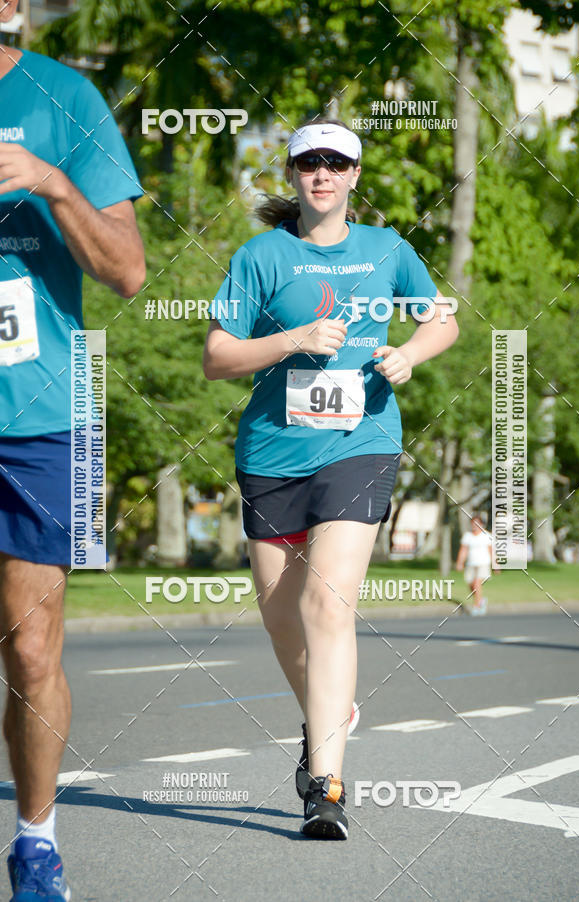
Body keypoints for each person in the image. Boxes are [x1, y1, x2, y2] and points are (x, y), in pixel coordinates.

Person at [204, 118, 458, 839]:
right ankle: (326, 717)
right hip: (271, 454)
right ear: (291, 175)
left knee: (327, 605)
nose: (321, 174)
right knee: (283, 620)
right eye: (308, 162)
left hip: (362, 441)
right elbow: (217, 357)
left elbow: (443, 321)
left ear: (353, 176)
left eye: (335, 163)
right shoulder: (260, 257)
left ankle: (327, 786)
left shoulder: (388, 249)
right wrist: (292, 340)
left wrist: (412, 353)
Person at [0, 3, 145, 897]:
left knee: (29, 647)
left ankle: (36, 839)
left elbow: (128, 270)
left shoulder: (63, 97)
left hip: (41, 415)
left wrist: (52, 182)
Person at [456, 514, 498, 615]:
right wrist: (460, 562)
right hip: (471, 563)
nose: (474, 526)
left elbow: (491, 551)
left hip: (483, 563)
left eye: (477, 523)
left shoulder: (486, 536)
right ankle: (481, 600)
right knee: (471, 585)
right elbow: (463, 550)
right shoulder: (468, 536)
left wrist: (496, 565)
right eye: (473, 524)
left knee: (476, 582)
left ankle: (476, 606)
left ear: (481, 524)